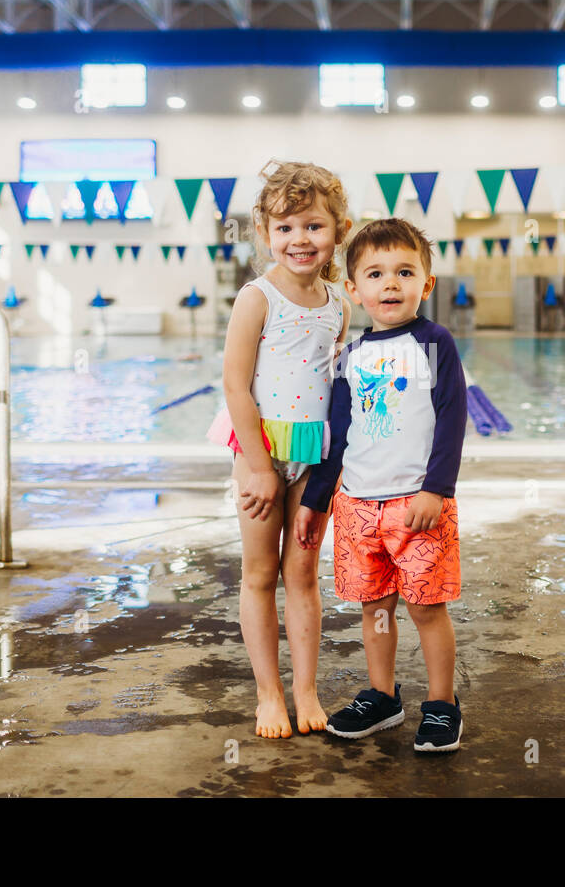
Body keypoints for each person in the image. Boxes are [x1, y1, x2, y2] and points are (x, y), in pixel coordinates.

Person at [294, 218, 468, 752]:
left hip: (417, 505)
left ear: (427, 283)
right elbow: (338, 433)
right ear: (354, 289)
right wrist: (315, 500)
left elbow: (452, 418)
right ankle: (382, 694)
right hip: (357, 507)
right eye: (375, 273)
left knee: (426, 607)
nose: (390, 283)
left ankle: (442, 703)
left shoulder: (434, 343)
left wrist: (435, 490)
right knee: (375, 608)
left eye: (404, 271)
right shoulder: (349, 356)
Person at [205, 160, 353, 739]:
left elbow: (334, 385)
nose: (299, 239)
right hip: (259, 450)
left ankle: (307, 689)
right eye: (285, 227)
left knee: (303, 575)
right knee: (261, 573)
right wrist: (259, 468)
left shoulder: (339, 303)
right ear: (265, 233)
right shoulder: (256, 297)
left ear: (338, 231)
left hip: (311, 454)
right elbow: (235, 385)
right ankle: (269, 694)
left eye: (313, 226)